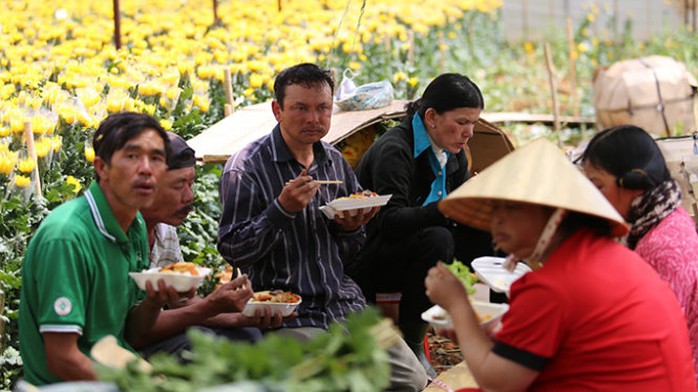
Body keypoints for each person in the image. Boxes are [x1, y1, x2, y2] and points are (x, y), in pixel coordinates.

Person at [217, 63, 428, 391]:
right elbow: (232, 248)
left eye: (322, 108)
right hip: (287, 311)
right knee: (338, 382)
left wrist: (350, 228)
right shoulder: (246, 168)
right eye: (300, 108)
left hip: (344, 304)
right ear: (278, 110)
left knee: (410, 378)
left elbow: (348, 250)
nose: (313, 119)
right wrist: (280, 211)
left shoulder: (334, 161)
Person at [424, 138, 695, 390]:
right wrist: (478, 329)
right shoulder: (611, 257)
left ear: (555, 213)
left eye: (512, 208)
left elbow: (498, 381)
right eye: (495, 210)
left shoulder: (551, 286)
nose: (497, 221)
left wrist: (458, 305)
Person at [18, 112, 190, 385]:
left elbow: (128, 333)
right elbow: (62, 358)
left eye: (156, 158)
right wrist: (143, 387)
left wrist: (154, 301)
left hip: (118, 363)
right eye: (132, 156)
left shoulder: (133, 228)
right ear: (102, 167)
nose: (146, 168)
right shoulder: (67, 237)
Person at [353, 73, 495, 375]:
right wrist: (447, 207)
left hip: (419, 243)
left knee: (493, 232)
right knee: (438, 238)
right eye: (461, 122)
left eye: (473, 123)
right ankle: (412, 341)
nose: (469, 132)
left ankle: (501, 335)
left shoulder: (452, 153)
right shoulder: (396, 150)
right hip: (377, 255)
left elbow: (459, 207)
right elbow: (389, 221)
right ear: (431, 117)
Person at [136, 132, 283, 358]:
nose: (189, 196)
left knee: (248, 334)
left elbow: (183, 302)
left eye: (191, 183)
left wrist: (240, 318)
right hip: (124, 344)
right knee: (203, 349)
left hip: (154, 331)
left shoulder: (165, 230)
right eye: (178, 186)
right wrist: (212, 306)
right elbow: (133, 331)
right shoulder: (114, 233)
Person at [580, 124, 698, 384]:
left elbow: (654, 339)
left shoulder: (664, 244)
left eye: (598, 186)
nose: (593, 197)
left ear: (634, 183)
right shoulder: (657, 220)